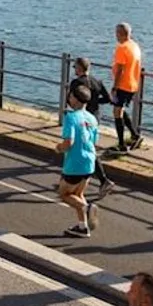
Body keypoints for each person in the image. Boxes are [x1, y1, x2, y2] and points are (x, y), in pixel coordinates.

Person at [66, 57, 117, 197]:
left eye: (75, 67)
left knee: (84, 149)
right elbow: (108, 99)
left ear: (80, 68)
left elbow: (69, 100)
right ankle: (90, 178)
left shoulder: (77, 83)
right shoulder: (97, 81)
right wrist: (95, 100)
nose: (74, 70)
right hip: (94, 117)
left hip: (82, 117)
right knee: (88, 147)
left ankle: (102, 180)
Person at [56, 88, 103, 238]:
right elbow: (95, 142)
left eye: (70, 96)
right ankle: (83, 227)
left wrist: (59, 148)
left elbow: (69, 142)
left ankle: (87, 208)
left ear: (75, 99)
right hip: (89, 162)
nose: (68, 99)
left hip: (74, 163)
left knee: (63, 194)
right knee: (77, 194)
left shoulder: (71, 117)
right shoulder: (92, 118)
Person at [109, 23, 144, 153]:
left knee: (117, 112)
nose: (115, 35)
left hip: (123, 84)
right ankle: (135, 135)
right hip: (133, 84)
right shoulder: (134, 46)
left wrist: (114, 87)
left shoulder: (122, 48)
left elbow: (120, 70)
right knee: (121, 110)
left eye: (117, 33)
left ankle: (121, 144)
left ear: (121, 34)